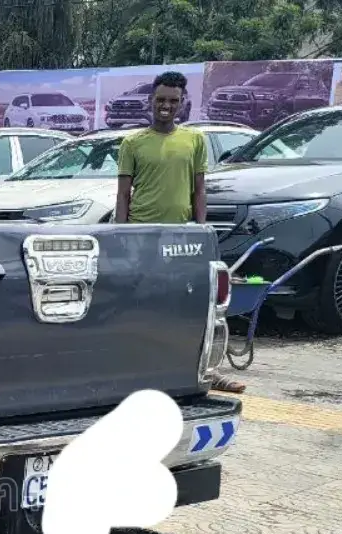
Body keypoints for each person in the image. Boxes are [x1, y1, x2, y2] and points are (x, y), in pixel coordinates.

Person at [114, 71, 246, 394]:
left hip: (182, 241)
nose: (166, 106)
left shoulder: (194, 141)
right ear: (151, 101)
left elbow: (199, 190)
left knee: (193, 310)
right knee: (142, 307)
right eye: (160, 100)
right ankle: (139, 369)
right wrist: (119, 238)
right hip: (142, 238)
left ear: (182, 103)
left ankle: (207, 371)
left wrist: (202, 231)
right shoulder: (132, 143)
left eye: (173, 101)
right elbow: (122, 195)